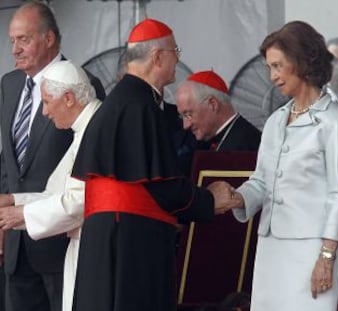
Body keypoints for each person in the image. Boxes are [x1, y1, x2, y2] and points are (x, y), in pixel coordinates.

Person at [70, 18, 231, 311]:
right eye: (175, 51)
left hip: (113, 235)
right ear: (157, 57)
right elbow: (163, 186)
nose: (179, 59)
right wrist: (209, 200)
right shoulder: (138, 105)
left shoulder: (125, 100)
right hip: (129, 240)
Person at [212, 21, 338, 310]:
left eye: (278, 66)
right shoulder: (276, 121)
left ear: (302, 62)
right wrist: (238, 197)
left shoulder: (335, 122)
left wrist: (326, 259)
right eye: (269, 68)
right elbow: (261, 181)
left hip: (313, 251)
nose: (273, 76)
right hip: (271, 247)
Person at [0, 2, 105, 311]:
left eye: (24, 39)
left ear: (49, 39)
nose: (15, 49)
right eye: (12, 40)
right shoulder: (9, 84)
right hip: (18, 239)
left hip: (60, 241)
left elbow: (87, 173)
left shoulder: (82, 83)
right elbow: (9, 159)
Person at [175, 70, 261, 153]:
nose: (185, 125)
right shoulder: (203, 143)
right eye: (182, 116)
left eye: (189, 114)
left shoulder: (247, 145)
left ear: (213, 104)